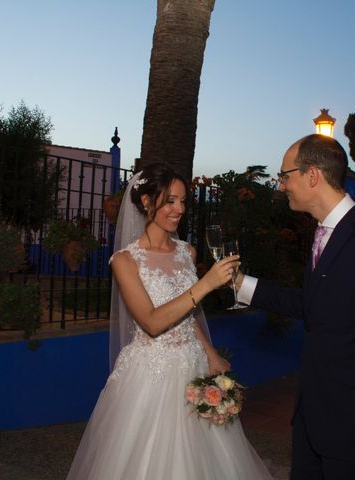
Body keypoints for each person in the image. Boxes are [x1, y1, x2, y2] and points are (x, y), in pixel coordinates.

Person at [67, 163, 272, 479]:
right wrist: (205, 284)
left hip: (193, 365)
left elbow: (188, 315)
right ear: (147, 203)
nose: (180, 209)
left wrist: (210, 352)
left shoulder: (186, 252)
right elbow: (151, 321)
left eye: (183, 201)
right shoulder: (125, 260)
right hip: (152, 373)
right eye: (170, 201)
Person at [236, 134, 355, 480]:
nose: (281, 185)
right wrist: (242, 285)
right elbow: (314, 306)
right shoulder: (324, 233)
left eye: (285, 175)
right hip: (313, 420)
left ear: (312, 176)